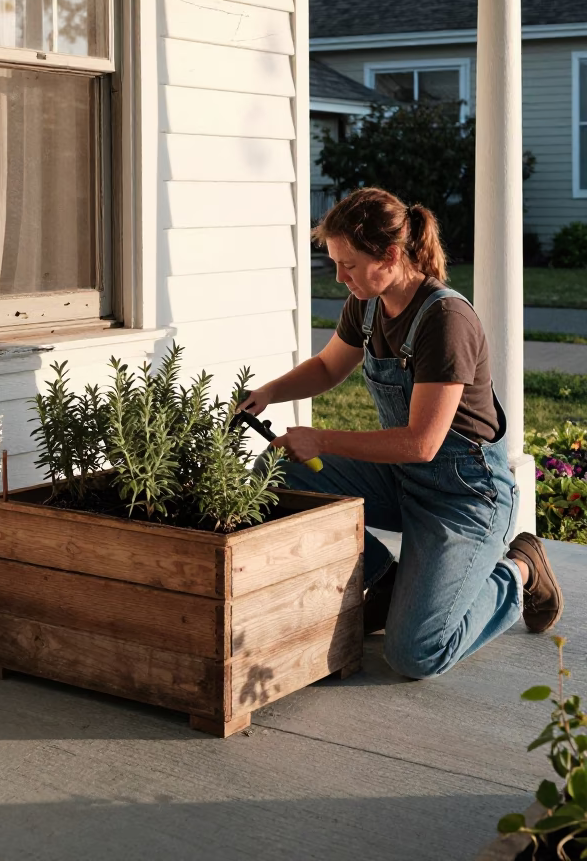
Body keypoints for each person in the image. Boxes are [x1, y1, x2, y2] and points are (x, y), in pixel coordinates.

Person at [241, 187, 563, 680]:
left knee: (416, 653)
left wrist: (321, 438)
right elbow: (328, 368)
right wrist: (267, 393)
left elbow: (422, 442)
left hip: (463, 496)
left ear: (390, 256)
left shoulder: (445, 319)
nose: (340, 276)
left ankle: (518, 570)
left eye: (348, 264)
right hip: (401, 479)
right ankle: (384, 578)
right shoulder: (368, 306)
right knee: (275, 471)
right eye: (335, 263)